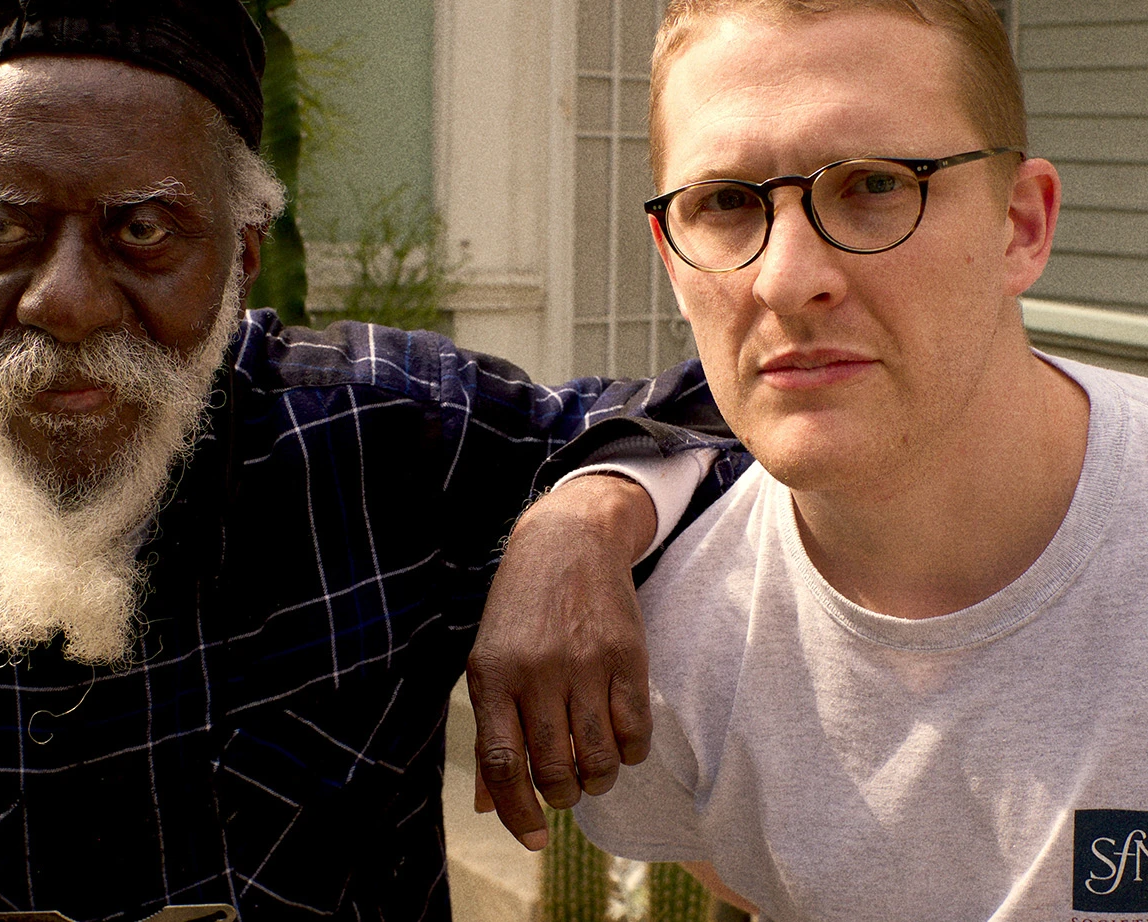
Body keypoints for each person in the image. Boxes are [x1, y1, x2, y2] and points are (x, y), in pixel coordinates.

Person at [0, 1, 746, 919]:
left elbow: (743, 415)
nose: (64, 301)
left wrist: (586, 510)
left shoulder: (381, 439)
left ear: (241, 253)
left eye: (141, 230)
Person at [483, 0, 1148, 919]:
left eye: (876, 184)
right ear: (673, 263)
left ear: (1022, 226)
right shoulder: (664, 651)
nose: (788, 279)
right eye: (723, 202)